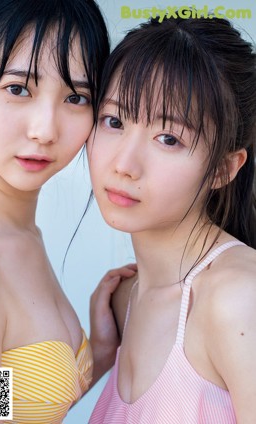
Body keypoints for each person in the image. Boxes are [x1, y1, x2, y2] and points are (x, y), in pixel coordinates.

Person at [0, 1, 137, 423]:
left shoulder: (17, 235)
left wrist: (100, 353)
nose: (46, 129)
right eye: (18, 89)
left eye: (76, 97)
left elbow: (13, 410)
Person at [87, 13, 256, 423]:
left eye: (168, 138)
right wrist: (90, 364)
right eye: (114, 121)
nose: (124, 164)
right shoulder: (124, 298)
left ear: (224, 168)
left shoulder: (237, 299)